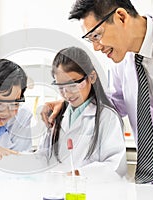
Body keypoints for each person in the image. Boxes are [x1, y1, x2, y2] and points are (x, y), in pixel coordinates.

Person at [41, 0, 153, 186]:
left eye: (97, 35)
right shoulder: (124, 64)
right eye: (90, 39)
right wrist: (68, 102)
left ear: (121, 17)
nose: (96, 47)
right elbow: (113, 104)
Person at [37, 46, 127, 178]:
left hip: (91, 192)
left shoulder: (107, 117)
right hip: (57, 191)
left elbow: (114, 167)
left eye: (73, 85)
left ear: (91, 77)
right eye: (61, 87)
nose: (67, 93)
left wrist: (76, 175)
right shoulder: (56, 116)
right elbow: (43, 156)